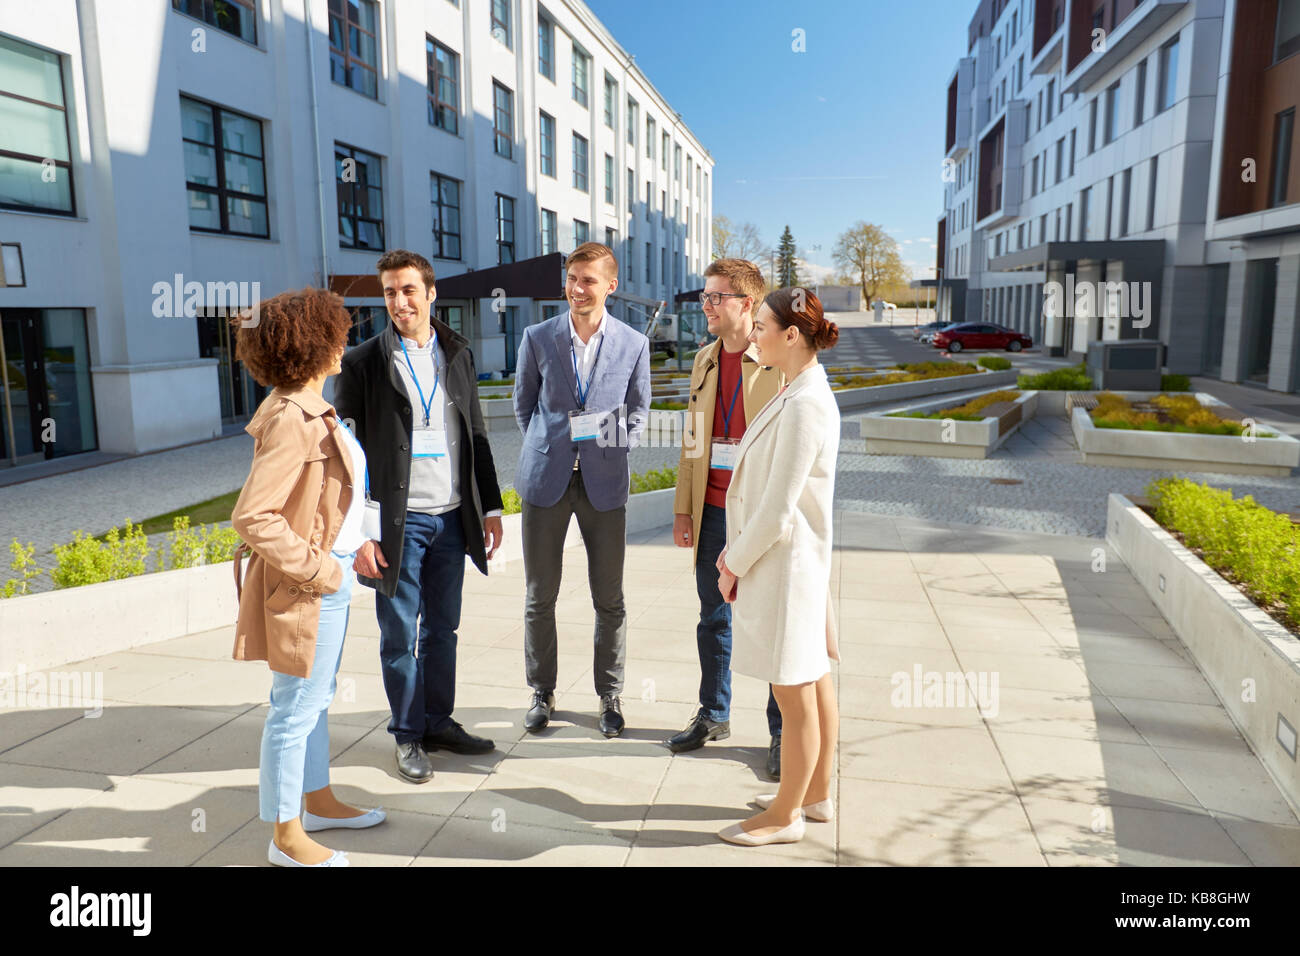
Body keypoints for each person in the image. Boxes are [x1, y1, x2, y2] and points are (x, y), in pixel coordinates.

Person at [333, 250, 505, 785]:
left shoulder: (458, 352)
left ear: (431, 294)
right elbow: (347, 452)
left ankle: (437, 722)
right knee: (398, 633)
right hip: (396, 526)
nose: (399, 301)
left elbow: (476, 432)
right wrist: (361, 533)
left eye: (409, 289)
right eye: (389, 292)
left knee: (443, 630)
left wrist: (491, 504)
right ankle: (407, 735)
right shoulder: (363, 362)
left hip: (453, 518)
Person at [230, 287, 386, 867]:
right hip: (310, 585)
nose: (345, 337)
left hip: (330, 579)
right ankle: (285, 836)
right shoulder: (295, 416)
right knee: (293, 709)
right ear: (313, 342)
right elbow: (252, 514)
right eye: (337, 330)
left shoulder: (309, 406)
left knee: (313, 701)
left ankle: (316, 799)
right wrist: (323, 570)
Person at [714, 287, 841, 847]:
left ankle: (785, 815)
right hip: (797, 566)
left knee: (795, 694)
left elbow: (777, 508)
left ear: (792, 335)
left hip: (785, 569)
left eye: (763, 326)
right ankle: (812, 794)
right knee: (813, 683)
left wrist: (731, 563)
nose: (755, 334)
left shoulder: (806, 402)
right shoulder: (797, 390)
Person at [513, 242, 650, 737]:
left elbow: (638, 413)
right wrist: (552, 445)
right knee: (539, 596)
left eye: (589, 279)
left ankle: (609, 696)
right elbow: (524, 406)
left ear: (610, 285)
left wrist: (609, 445)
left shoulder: (634, 343)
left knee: (609, 599)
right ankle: (541, 691)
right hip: (545, 480)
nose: (577, 288)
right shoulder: (537, 336)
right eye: (572, 278)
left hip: (604, 483)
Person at [666, 258, 785, 777]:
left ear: (748, 304)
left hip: (759, 515)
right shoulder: (704, 361)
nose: (707, 306)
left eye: (717, 297)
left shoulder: (778, 361)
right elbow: (693, 438)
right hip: (712, 510)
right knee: (713, 617)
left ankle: (783, 732)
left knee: (772, 625)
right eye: (705, 297)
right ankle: (714, 713)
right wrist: (682, 507)